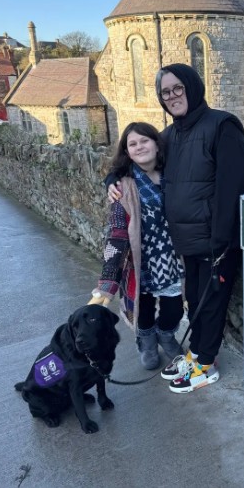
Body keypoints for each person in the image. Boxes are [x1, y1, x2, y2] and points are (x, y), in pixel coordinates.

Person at [108, 64, 244, 393]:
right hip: (187, 242)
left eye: (178, 88)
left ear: (192, 86)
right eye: (165, 92)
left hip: (218, 242)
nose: (172, 96)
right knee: (195, 300)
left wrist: (221, 240)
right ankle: (196, 354)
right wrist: (112, 180)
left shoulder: (222, 125)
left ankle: (206, 364)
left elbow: (234, 184)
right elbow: (133, 160)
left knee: (212, 303)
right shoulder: (170, 137)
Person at [90, 122, 185, 371]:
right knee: (143, 309)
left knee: (174, 309)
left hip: (171, 259)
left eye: (144, 141)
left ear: (156, 144)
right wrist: (107, 281)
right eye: (133, 144)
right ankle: (147, 343)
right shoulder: (123, 187)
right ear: (127, 152)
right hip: (138, 260)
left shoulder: (173, 175)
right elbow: (117, 234)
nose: (139, 147)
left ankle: (166, 335)